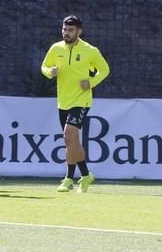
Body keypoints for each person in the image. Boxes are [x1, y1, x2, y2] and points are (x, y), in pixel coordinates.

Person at [41, 15, 110, 193]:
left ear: (79, 31)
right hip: (63, 100)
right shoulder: (56, 48)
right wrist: (50, 72)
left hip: (81, 100)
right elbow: (44, 66)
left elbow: (105, 70)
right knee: (71, 141)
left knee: (68, 135)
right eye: (64, 29)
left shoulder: (90, 50)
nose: (66, 33)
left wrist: (91, 82)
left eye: (70, 30)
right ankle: (86, 175)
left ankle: (68, 178)